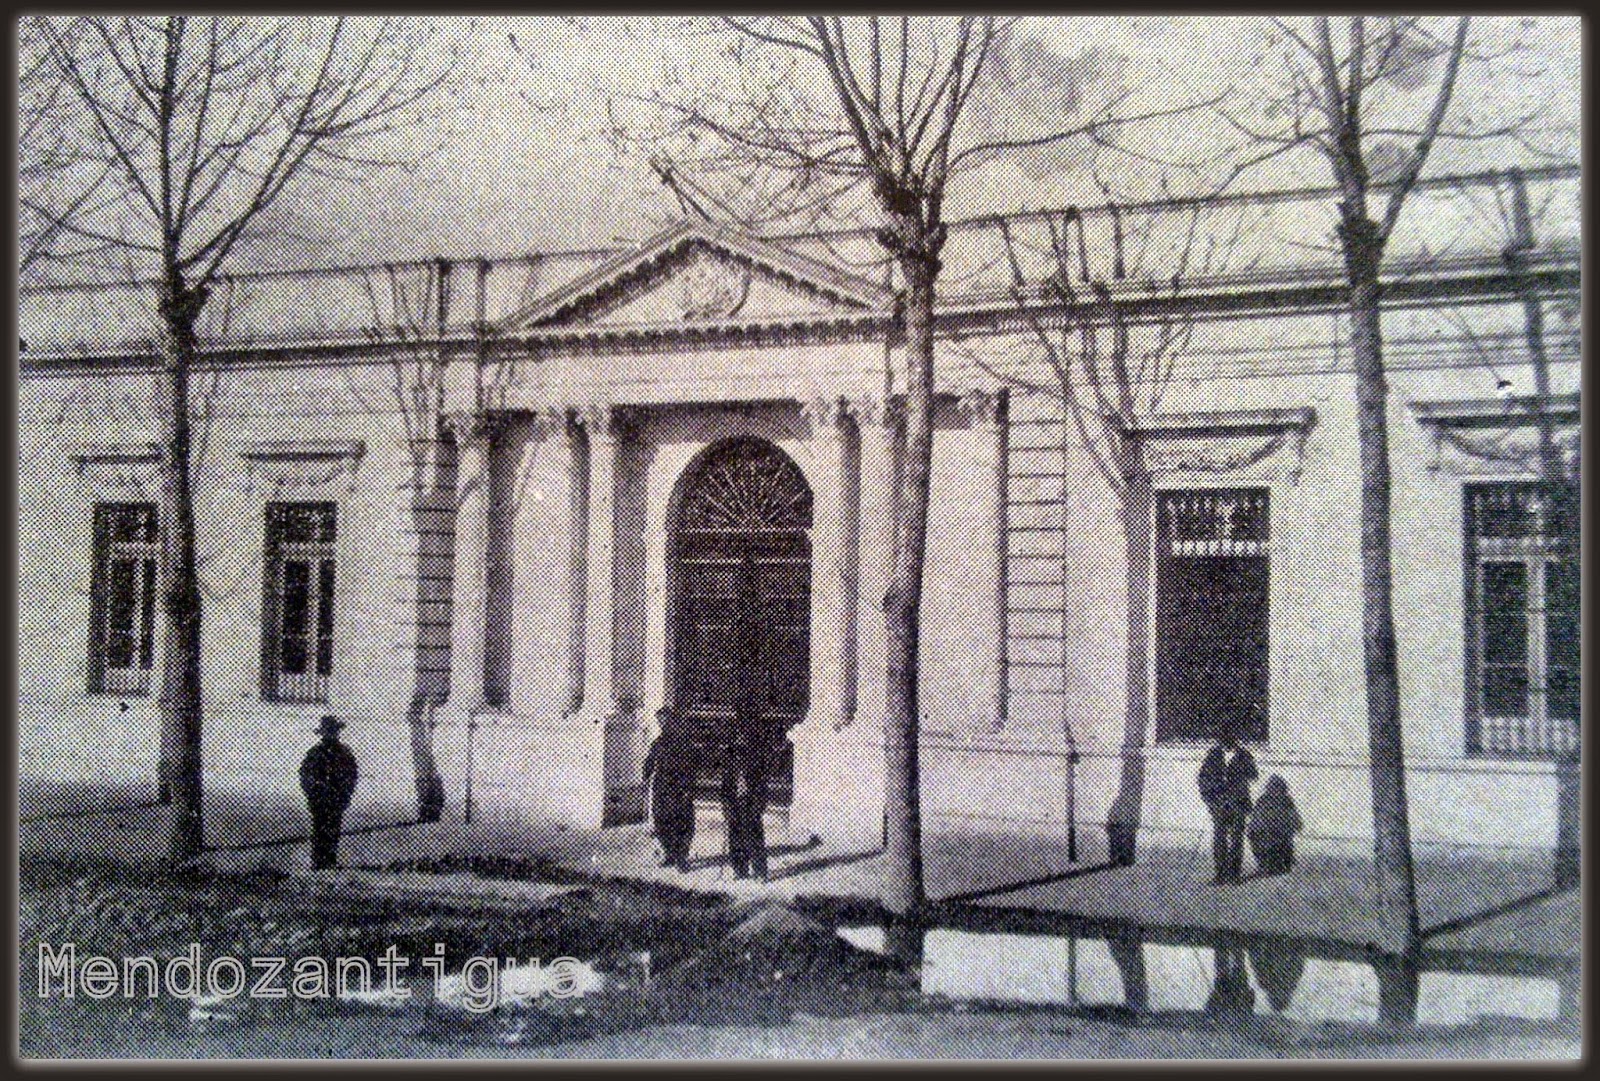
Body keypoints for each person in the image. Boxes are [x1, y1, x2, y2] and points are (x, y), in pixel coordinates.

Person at [1197, 729, 1257, 883]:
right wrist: (1210, 800)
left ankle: (1234, 875)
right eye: (1223, 739)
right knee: (1219, 839)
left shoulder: (1244, 755)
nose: (1227, 742)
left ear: (1235, 739)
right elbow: (1202, 778)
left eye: (1230, 738)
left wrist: (1241, 774)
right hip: (1219, 805)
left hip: (1238, 804)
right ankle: (1220, 874)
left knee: (1237, 839)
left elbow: (1253, 775)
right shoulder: (1213, 755)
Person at [299, 715, 359, 870]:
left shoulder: (344, 754)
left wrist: (345, 795)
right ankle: (318, 862)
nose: (330, 735)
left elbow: (351, 776)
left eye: (333, 732)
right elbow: (305, 775)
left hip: (336, 799)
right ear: (322, 734)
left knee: (333, 829)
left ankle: (330, 860)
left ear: (337, 733)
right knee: (319, 829)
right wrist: (313, 794)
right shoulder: (315, 753)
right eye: (327, 732)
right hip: (319, 800)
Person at [642, 711, 697, 872]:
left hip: (680, 789)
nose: (662, 724)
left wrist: (688, 789)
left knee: (682, 823)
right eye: (660, 721)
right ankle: (669, 854)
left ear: (673, 721)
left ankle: (681, 858)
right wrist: (645, 776)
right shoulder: (658, 742)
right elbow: (650, 761)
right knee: (661, 821)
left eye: (665, 721)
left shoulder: (684, 742)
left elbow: (691, 767)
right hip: (662, 789)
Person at [719, 730, 772, 881]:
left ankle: (760, 872)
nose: (740, 750)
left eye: (744, 744)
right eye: (737, 745)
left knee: (754, 838)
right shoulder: (729, 764)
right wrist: (726, 806)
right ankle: (740, 870)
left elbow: (762, 787)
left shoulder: (756, 762)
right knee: (735, 838)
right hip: (734, 803)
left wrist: (759, 806)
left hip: (751, 804)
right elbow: (725, 787)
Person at [1247, 774, 1303, 876]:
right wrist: (1254, 829)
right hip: (1265, 833)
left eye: (1276, 788)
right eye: (1272, 787)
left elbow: (1295, 819)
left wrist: (1290, 827)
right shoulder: (1263, 800)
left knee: (1275, 843)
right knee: (1258, 838)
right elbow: (1255, 817)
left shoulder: (1286, 801)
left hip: (1279, 835)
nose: (1274, 791)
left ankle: (1277, 865)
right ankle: (1265, 865)